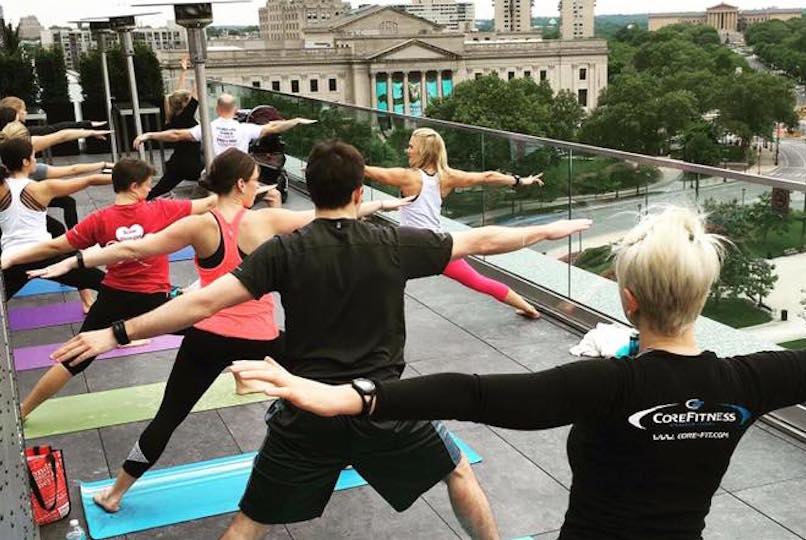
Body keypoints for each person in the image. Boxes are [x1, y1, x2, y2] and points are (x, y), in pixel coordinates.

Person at [231, 205, 806, 540]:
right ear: (701, 295)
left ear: (627, 298)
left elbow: (473, 394)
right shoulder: (748, 383)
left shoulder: (606, 384)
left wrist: (345, 395)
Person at [50, 140, 591, 540]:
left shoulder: (285, 251)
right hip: (385, 404)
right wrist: (541, 232)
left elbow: (201, 303)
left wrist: (115, 333)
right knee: (456, 471)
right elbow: (480, 239)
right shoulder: (393, 243)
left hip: (306, 410)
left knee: (251, 520)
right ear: (360, 192)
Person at [36, 147, 413, 517]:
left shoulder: (201, 223)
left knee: (169, 416)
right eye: (254, 181)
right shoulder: (267, 221)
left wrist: (75, 260)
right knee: (327, 388)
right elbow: (333, 218)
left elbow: (132, 249)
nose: (257, 187)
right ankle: (349, 453)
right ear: (239, 184)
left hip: (208, 337)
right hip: (260, 339)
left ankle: (115, 493)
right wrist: (379, 206)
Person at [2, 157, 217, 418]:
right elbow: (209, 203)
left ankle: (23, 410)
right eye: (148, 185)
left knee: (74, 360)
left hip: (112, 298)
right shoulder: (160, 209)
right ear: (135, 186)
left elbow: (56, 246)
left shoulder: (99, 219)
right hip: (154, 301)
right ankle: (243, 375)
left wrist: (13, 257)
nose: (150, 190)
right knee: (215, 331)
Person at [365, 127, 544, 318]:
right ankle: (529, 309)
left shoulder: (408, 177)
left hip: (408, 248)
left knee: (370, 274)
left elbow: (372, 172)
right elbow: (487, 177)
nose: (407, 151)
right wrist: (521, 181)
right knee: (479, 281)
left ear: (423, 151)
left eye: (411, 147)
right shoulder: (447, 177)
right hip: (437, 246)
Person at [0, 137, 108, 301]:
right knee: (107, 284)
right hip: (44, 255)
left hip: (11, 259)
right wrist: (126, 179)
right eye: (34, 156)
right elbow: (90, 180)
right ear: (25, 162)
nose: (36, 160)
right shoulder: (43, 188)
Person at [133, 93, 315, 158]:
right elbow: (273, 127)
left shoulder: (208, 128)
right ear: (234, 109)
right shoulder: (245, 129)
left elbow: (176, 135)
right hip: (238, 176)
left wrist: (149, 135)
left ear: (218, 109)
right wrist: (296, 120)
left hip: (216, 176)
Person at [146, 58, 204, 200]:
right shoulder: (186, 117)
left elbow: (177, 95)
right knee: (219, 175)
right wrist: (199, 67)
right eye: (188, 100)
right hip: (193, 165)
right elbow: (197, 91)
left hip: (177, 163)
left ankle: (139, 203)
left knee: (156, 191)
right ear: (185, 105)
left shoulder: (171, 117)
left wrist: (183, 72)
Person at [0, 95, 108, 134]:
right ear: (16, 113)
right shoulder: (24, 134)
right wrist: (87, 127)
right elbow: (58, 130)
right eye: (24, 110)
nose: (26, 112)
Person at [0, 119, 111, 154]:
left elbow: (61, 134)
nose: (26, 112)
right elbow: (61, 135)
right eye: (23, 110)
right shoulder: (26, 143)